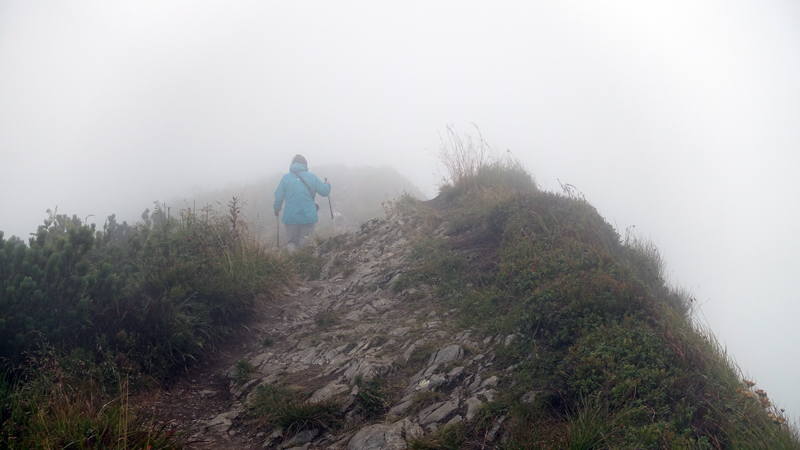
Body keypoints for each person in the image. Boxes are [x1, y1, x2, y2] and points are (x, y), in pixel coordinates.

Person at [273, 155, 331, 253]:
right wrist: (327, 184)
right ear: (305, 164)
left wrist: (277, 209)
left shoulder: (286, 178)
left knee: (291, 242)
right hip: (308, 215)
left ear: (292, 164)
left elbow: (279, 197)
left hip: (290, 217)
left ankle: (294, 263)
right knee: (305, 242)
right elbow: (325, 192)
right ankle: (304, 262)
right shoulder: (312, 177)